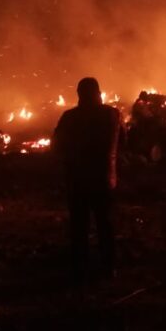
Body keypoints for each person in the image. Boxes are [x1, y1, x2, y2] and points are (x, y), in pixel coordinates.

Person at [52, 77, 123, 284]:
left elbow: (56, 145)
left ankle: (80, 267)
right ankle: (109, 267)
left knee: (79, 226)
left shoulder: (69, 117)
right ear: (98, 93)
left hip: (77, 181)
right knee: (105, 224)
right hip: (104, 179)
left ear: (79, 95)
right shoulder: (113, 114)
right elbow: (124, 142)